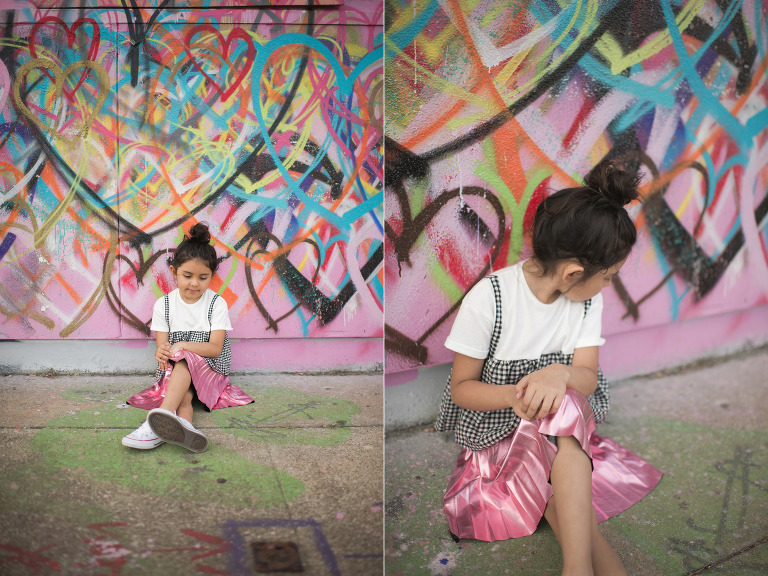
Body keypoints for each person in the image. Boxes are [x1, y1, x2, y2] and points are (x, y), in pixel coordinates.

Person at [435, 163, 662, 576]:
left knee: (566, 406)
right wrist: (514, 396)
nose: (608, 286)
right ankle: (588, 561)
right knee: (564, 425)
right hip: (500, 439)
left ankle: (577, 568)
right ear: (575, 272)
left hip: (561, 437)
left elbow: (587, 377)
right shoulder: (492, 298)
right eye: (608, 277)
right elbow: (462, 389)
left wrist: (558, 373)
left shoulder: (587, 301)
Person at [122, 223, 253, 453]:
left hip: (210, 369)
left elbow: (215, 349)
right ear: (174, 272)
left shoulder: (216, 304)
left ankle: (155, 422)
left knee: (183, 358)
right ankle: (184, 427)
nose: (194, 283)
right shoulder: (164, 304)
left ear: (212, 277)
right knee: (184, 392)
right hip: (176, 371)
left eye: (203, 277)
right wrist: (161, 352)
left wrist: (182, 345)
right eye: (187, 275)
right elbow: (163, 348)